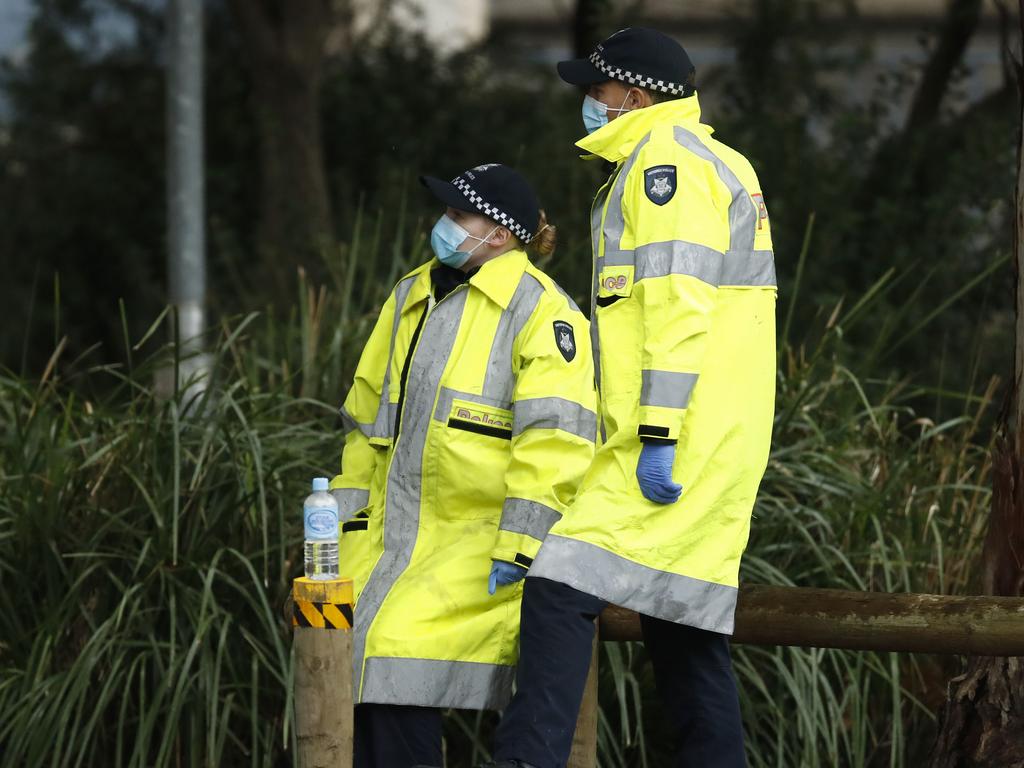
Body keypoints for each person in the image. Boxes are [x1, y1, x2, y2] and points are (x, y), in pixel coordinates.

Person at [483, 28, 777, 768]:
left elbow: (679, 308)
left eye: (597, 90)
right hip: (710, 437)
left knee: (557, 586)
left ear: (636, 97)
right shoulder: (707, 160)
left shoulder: (665, 167)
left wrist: (657, 434)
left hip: (676, 442)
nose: (589, 102)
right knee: (683, 633)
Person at [328, 162, 598, 768]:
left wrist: (519, 547)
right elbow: (364, 425)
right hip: (382, 551)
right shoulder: (412, 294)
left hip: (475, 557)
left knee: (397, 683)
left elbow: (556, 440)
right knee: (364, 694)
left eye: (459, 214)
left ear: (499, 235)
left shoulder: (540, 311)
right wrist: (343, 533)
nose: (444, 225)